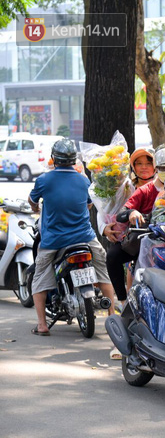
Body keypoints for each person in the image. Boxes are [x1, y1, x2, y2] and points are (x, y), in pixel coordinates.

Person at [28, 139, 115, 336]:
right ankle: (112, 315)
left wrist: (35, 207)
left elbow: (32, 201)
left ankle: (42, 324)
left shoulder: (43, 180)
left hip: (53, 241)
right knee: (102, 271)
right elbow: (89, 204)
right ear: (73, 159)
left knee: (40, 277)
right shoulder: (83, 180)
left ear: (53, 159)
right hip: (85, 238)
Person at [107, 144, 165, 306]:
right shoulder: (145, 190)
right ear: (157, 168)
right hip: (149, 240)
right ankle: (123, 301)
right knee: (112, 256)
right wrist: (132, 212)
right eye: (163, 167)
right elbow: (122, 213)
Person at [102, 147, 155, 243]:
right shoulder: (124, 188)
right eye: (139, 163)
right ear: (133, 167)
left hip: (158, 235)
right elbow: (105, 208)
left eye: (148, 163)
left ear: (155, 167)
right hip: (129, 239)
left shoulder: (163, 187)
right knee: (113, 255)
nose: (144, 167)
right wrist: (104, 228)